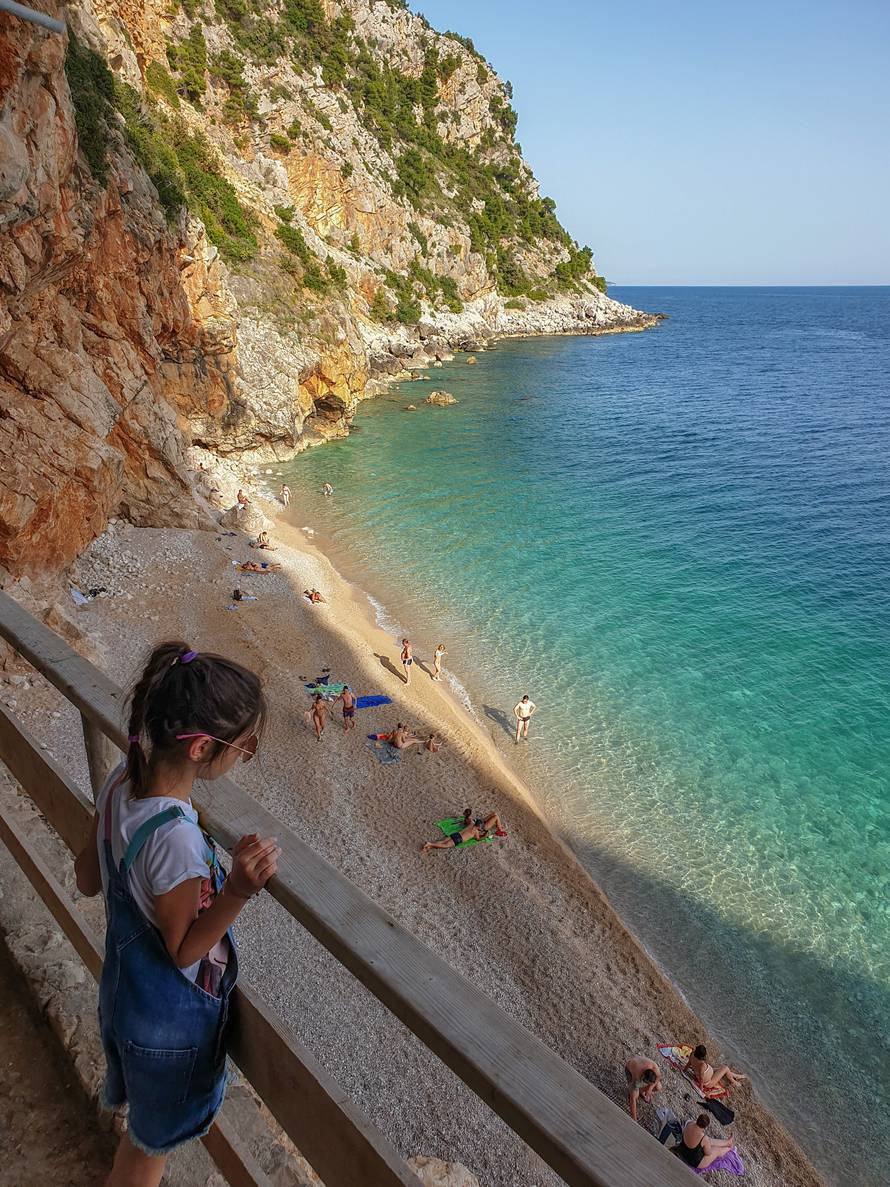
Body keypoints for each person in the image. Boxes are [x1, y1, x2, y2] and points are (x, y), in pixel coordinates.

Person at [73, 643, 279, 1187]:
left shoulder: (122, 780)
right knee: (147, 1153)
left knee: (143, 1132)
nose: (245, 754)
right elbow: (183, 950)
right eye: (245, 746)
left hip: (123, 1000)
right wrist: (236, 889)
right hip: (167, 1030)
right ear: (202, 749)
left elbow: (87, 877)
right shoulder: (178, 841)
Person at [421, 807, 507, 852]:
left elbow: (467, 819)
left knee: (443, 841)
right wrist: (485, 836)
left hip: (456, 834)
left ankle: (429, 846)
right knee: (445, 845)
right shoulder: (475, 832)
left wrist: (468, 816)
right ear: (479, 827)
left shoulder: (471, 824)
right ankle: (430, 844)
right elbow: (478, 839)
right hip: (458, 839)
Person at [625, 1057, 662, 1122]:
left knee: (658, 1087)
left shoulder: (655, 1069)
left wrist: (650, 1089)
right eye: (646, 1083)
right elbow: (635, 1088)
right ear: (643, 1076)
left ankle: (641, 1091)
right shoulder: (636, 1071)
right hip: (629, 1070)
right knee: (634, 1096)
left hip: (644, 1075)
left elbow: (658, 1077)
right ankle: (633, 1118)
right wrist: (634, 1093)